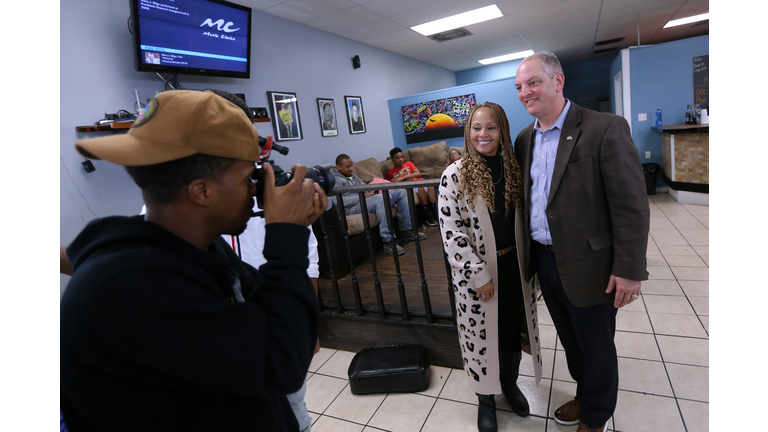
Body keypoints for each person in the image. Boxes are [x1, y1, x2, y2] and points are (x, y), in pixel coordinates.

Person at [60, 89, 327, 431]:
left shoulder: (193, 250)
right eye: (250, 179)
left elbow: (271, 311)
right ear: (202, 192)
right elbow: (281, 363)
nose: (258, 190)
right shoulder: (130, 287)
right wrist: (286, 234)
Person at [513, 51, 650, 432]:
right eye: (520, 87)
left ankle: (596, 415)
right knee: (572, 343)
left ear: (558, 81)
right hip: (545, 260)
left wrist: (628, 270)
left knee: (597, 346)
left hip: (592, 264)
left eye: (534, 82)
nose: (526, 92)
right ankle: (585, 394)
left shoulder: (605, 127)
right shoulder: (525, 139)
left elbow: (631, 206)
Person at [438, 102, 542, 432]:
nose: (484, 134)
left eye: (491, 127)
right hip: (477, 275)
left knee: (510, 330)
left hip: (514, 266)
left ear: (503, 131)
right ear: (468, 132)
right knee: (479, 337)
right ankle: (486, 400)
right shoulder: (454, 176)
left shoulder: (513, 169)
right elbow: (452, 234)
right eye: (477, 128)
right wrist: (479, 275)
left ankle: (509, 385)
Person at [331, 154, 425, 256]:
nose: (351, 169)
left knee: (400, 191)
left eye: (351, 165)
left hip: (368, 201)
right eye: (348, 166)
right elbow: (336, 200)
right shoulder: (333, 180)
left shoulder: (353, 176)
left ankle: (407, 230)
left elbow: (365, 188)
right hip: (354, 208)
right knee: (380, 198)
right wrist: (363, 197)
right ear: (338, 167)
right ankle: (388, 241)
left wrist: (375, 190)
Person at [386, 147, 438, 227]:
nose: (400, 159)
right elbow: (392, 183)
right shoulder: (390, 172)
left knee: (431, 186)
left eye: (401, 157)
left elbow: (418, 173)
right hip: (410, 185)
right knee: (421, 188)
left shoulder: (408, 163)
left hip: (419, 181)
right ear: (392, 160)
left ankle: (436, 213)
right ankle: (429, 216)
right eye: (397, 158)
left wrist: (403, 177)